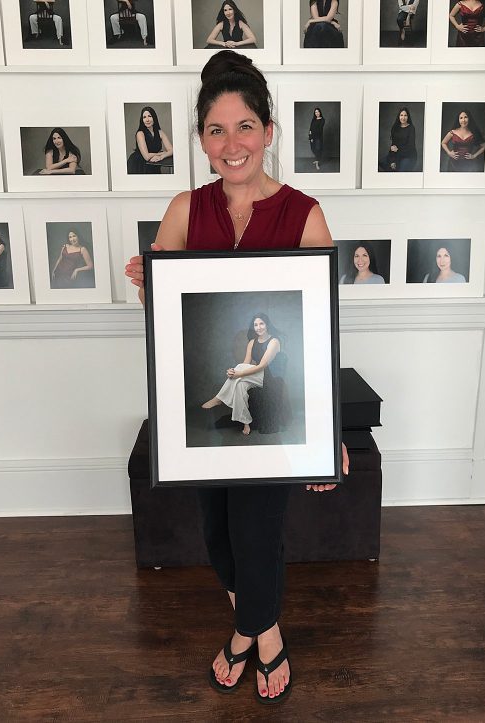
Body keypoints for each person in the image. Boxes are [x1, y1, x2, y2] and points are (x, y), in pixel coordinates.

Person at [124, 50, 349, 704]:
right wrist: (147, 285)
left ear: (269, 131)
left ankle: (257, 636)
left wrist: (326, 425)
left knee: (255, 530)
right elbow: (167, 324)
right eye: (216, 130)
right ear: (200, 139)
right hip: (206, 420)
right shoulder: (182, 209)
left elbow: (317, 332)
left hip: (275, 411)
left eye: (245, 126)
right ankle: (261, 623)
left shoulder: (305, 214)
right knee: (217, 533)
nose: (231, 144)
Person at [201, 313, 280, 435]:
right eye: (255, 325)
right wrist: (233, 372)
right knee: (240, 386)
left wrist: (239, 373)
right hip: (255, 374)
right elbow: (246, 363)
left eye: (261, 323)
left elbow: (262, 365)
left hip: (268, 377)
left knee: (239, 371)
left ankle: (219, 398)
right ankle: (246, 422)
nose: (258, 327)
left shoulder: (274, 341)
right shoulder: (252, 342)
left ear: (267, 324)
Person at [127, 106, 173, 174]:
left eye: (149, 116)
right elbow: (147, 156)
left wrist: (161, 157)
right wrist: (161, 153)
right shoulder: (140, 133)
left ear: (154, 117)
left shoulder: (160, 132)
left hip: (154, 162)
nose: (147, 120)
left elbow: (172, 150)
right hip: (139, 164)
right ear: (142, 120)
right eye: (144, 117)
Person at [380, 107, 418, 172]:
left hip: (409, 155)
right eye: (401, 115)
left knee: (400, 170)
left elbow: (410, 147)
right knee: (381, 162)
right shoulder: (395, 127)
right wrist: (392, 161)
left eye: (405, 115)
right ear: (399, 116)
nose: (403, 118)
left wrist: (398, 150)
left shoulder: (411, 128)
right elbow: (393, 146)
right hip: (397, 154)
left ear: (408, 117)